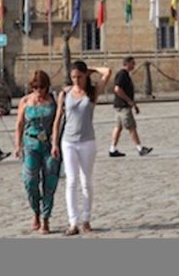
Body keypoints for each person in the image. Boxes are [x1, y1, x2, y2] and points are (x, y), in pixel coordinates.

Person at [51, 60, 112, 236]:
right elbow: (58, 120)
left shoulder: (92, 93)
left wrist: (91, 69)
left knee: (86, 181)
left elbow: (107, 71)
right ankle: (73, 222)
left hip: (87, 141)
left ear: (85, 76)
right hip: (68, 141)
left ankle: (86, 218)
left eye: (79, 76)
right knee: (71, 181)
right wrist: (55, 143)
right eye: (73, 77)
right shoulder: (65, 93)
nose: (76, 80)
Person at [15, 70, 61, 235]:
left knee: (49, 182)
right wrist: (17, 145)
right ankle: (35, 211)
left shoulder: (53, 101)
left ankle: (46, 218)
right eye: (35, 87)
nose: (39, 91)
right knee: (30, 181)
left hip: (48, 144)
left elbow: (57, 124)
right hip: (30, 144)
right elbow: (19, 124)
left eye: (42, 87)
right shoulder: (26, 101)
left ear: (47, 87)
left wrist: (55, 144)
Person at [108, 56, 152, 158]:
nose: (134, 65)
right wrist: (129, 101)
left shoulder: (124, 74)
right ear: (127, 63)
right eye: (132, 63)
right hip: (123, 106)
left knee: (118, 127)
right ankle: (139, 148)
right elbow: (117, 89)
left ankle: (112, 149)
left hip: (120, 105)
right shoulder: (122, 74)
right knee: (131, 127)